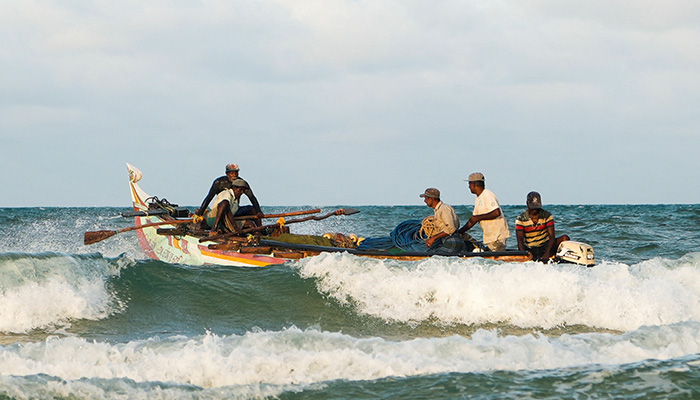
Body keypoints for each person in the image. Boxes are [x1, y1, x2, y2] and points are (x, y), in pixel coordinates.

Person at [195, 163, 264, 230]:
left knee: (253, 210)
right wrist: (200, 213)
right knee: (225, 204)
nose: (234, 175)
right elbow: (209, 198)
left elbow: (252, 198)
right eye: (232, 173)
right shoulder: (219, 183)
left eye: (236, 173)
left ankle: (261, 230)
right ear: (227, 174)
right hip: (221, 212)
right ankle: (216, 227)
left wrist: (259, 211)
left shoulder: (241, 184)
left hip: (234, 209)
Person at [458, 172, 510, 251]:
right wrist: (460, 232)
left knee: (496, 258)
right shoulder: (478, 199)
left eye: (469, 184)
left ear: (475, 185)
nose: (469, 187)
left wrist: (478, 218)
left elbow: (496, 212)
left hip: (497, 236)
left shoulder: (487, 195)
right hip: (490, 237)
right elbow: (473, 220)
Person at [515, 191, 570, 262]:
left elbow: (551, 236)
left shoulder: (547, 216)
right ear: (527, 204)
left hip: (545, 246)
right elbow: (520, 240)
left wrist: (547, 253)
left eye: (536, 207)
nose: (535, 210)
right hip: (530, 248)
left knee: (565, 238)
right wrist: (523, 255)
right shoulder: (520, 219)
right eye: (533, 208)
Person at [420, 187, 466, 254]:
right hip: (451, 240)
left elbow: (451, 229)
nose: (425, 201)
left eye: (426, 198)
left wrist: (433, 238)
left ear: (432, 199)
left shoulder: (444, 209)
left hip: (452, 241)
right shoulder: (440, 210)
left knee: (433, 257)